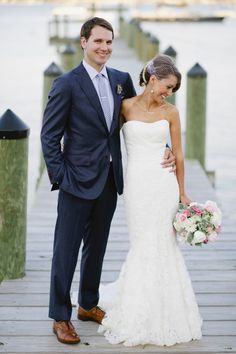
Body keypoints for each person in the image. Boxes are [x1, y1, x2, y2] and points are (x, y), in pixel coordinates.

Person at [40, 18, 175, 345]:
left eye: (109, 42)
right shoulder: (66, 84)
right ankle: (61, 316)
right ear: (84, 42)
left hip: (110, 180)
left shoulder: (121, 80)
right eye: (98, 41)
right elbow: (49, 137)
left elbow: (142, 114)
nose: (104, 47)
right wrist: (61, 176)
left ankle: (87, 303)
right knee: (66, 250)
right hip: (75, 181)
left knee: (96, 247)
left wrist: (166, 146)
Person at [98, 54, 203, 346]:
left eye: (173, 90)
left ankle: (166, 312)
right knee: (142, 243)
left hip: (163, 185)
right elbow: (104, 138)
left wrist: (182, 191)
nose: (168, 94)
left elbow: (178, 154)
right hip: (136, 184)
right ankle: (137, 307)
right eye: (167, 87)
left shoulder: (171, 113)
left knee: (162, 245)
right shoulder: (126, 107)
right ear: (152, 79)